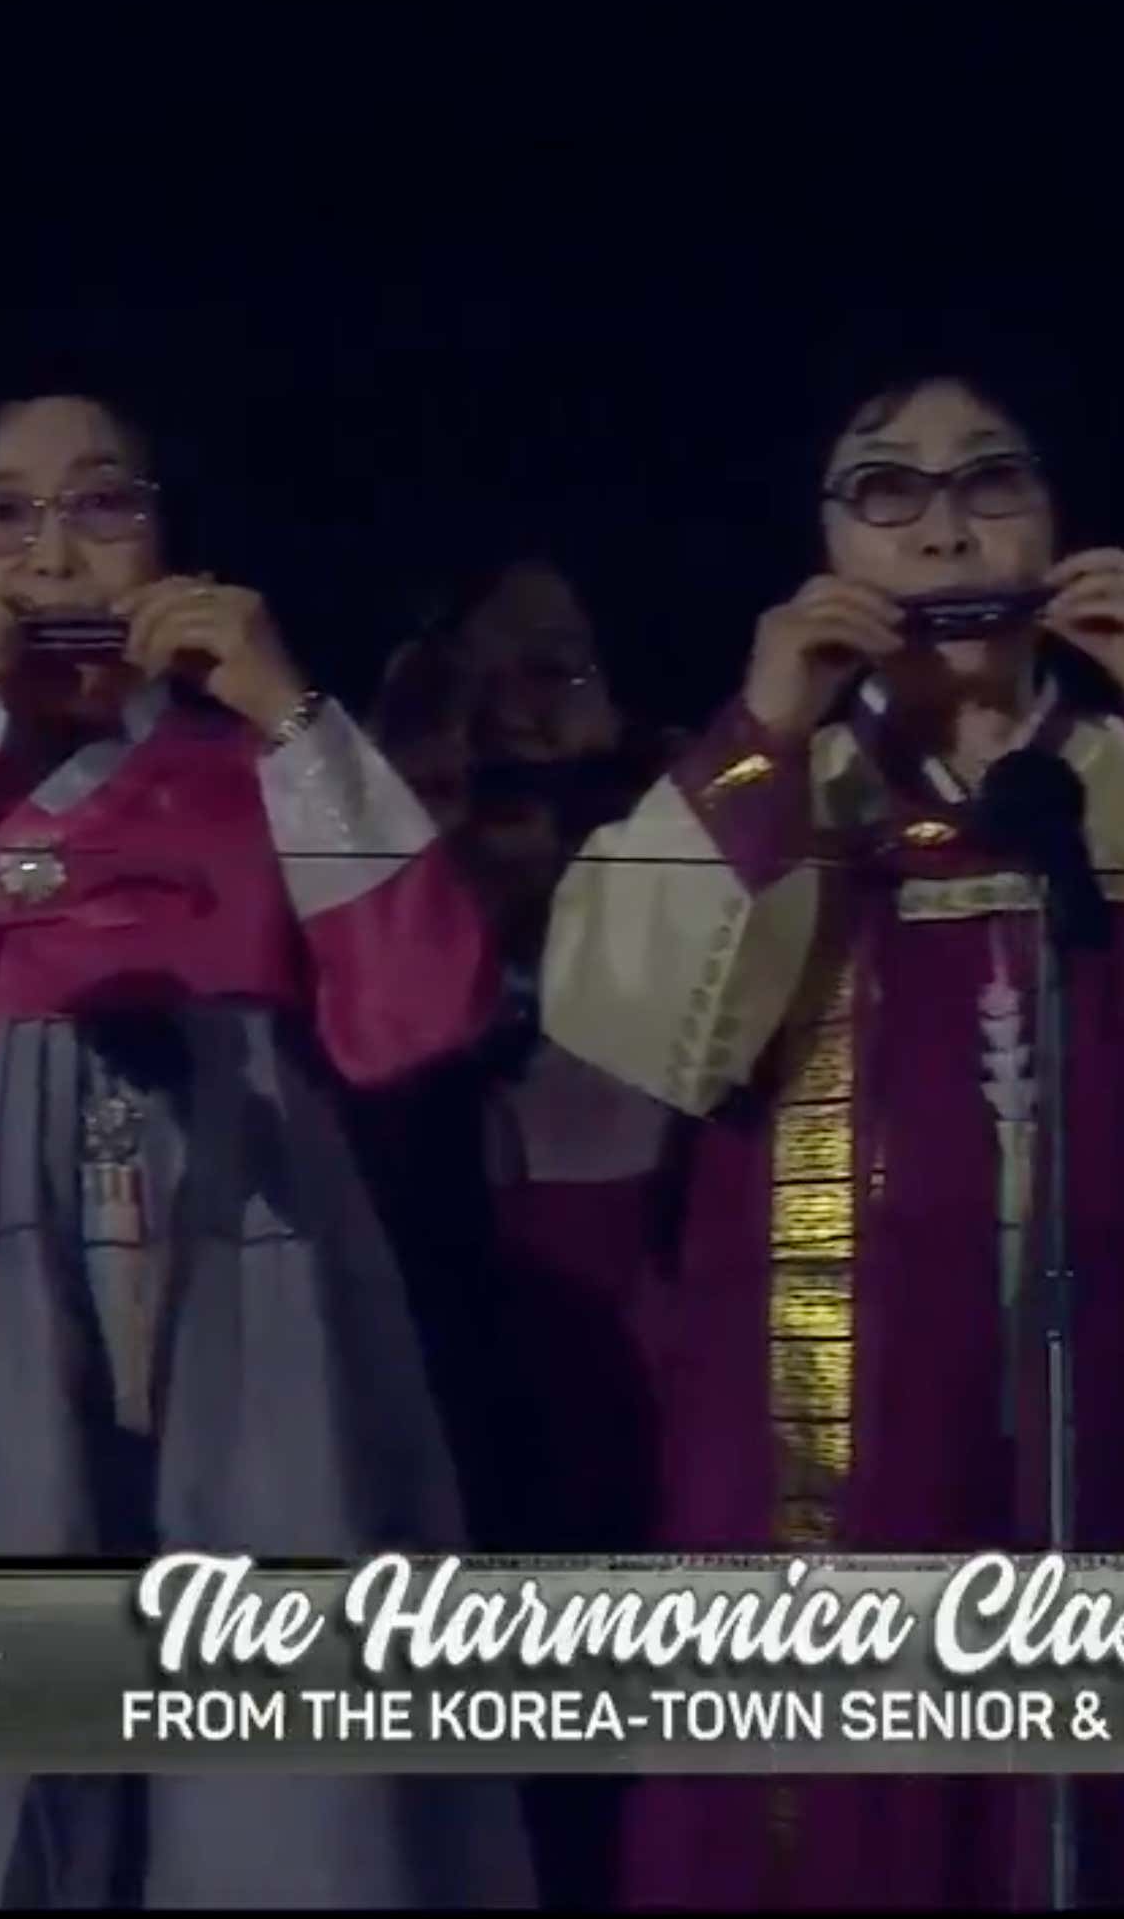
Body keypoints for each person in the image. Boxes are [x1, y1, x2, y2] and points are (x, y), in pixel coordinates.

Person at [540, 371, 1124, 1908]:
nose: (944, 534)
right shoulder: (784, 771)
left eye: (990, 482)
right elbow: (621, 1007)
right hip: (846, 1375)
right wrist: (762, 723)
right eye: (887, 490)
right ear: (824, 544)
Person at [0, 391, 535, 1907]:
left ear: (174, 545)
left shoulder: (255, 767)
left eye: (104, 505)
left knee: (248, 1762)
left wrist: (294, 710)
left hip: (232, 1298)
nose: (54, 551)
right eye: (0, 514)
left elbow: (420, 1014)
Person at [356, 558, 676, 1909]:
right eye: (467, 694)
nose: (512, 726)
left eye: (557, 675)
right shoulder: (361, 992)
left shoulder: (691, 928)